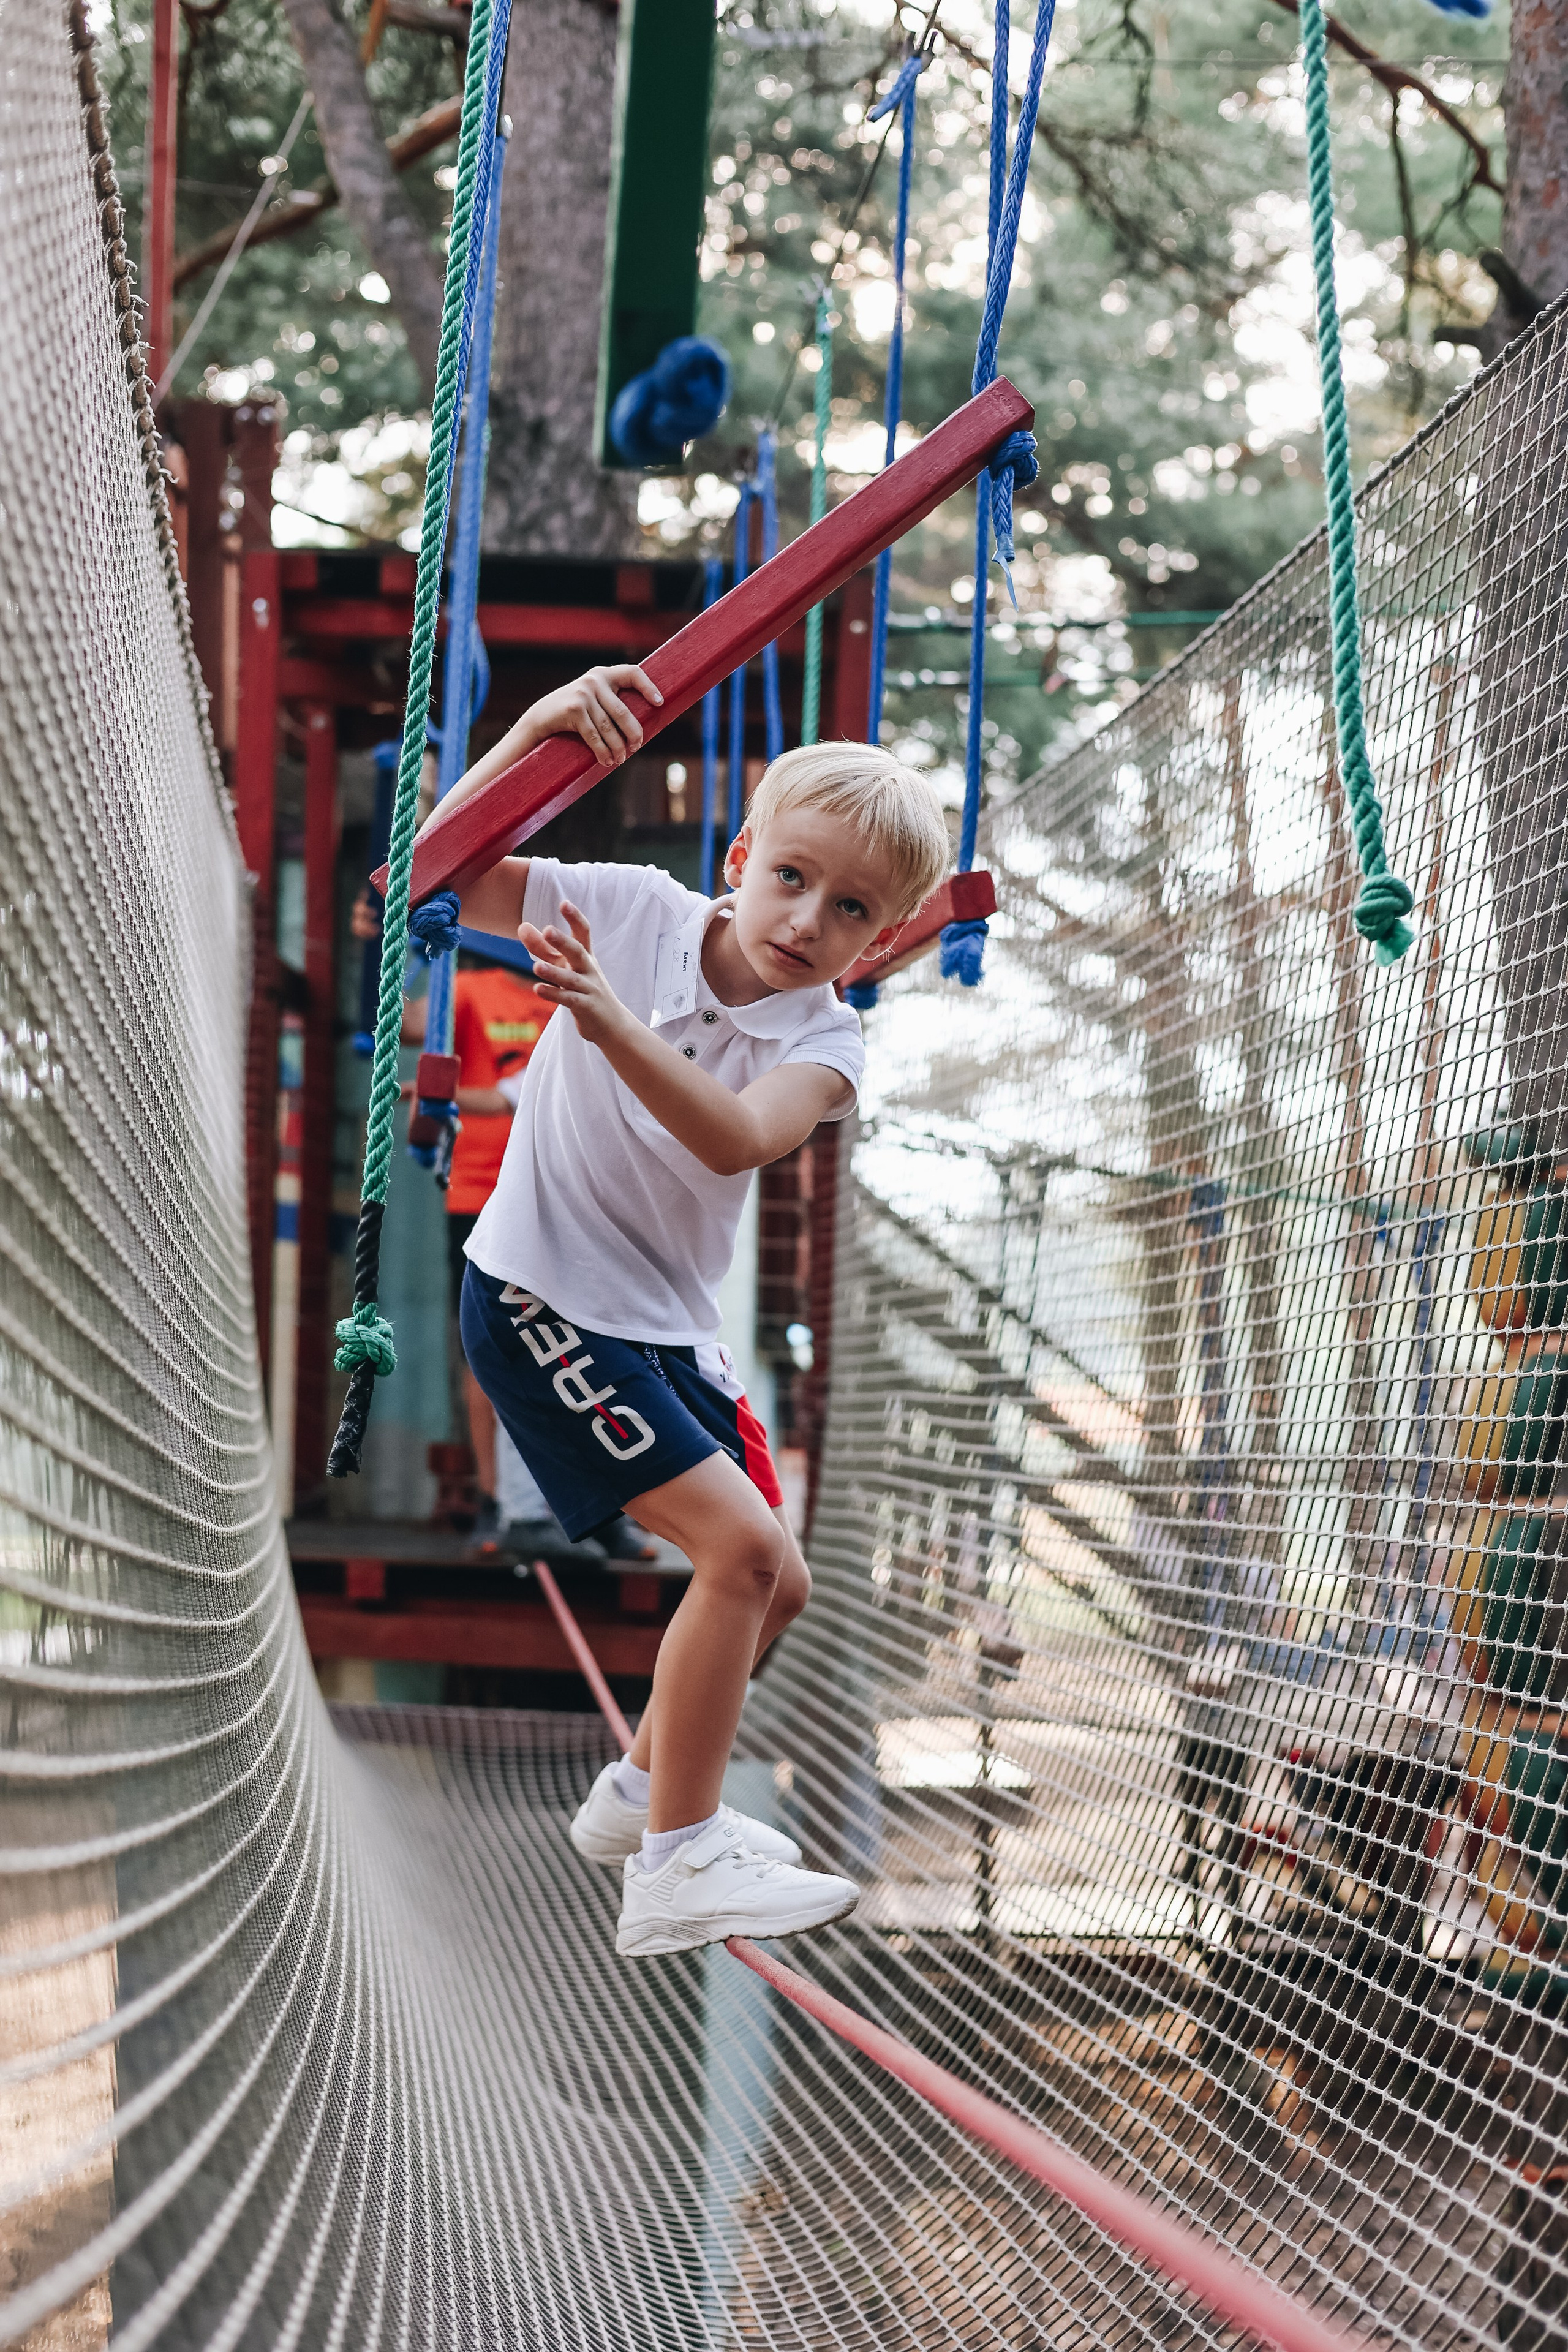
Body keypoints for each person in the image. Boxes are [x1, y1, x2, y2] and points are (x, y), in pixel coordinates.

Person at [424, 663, 949, 1957]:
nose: (805, 920)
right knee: (739, 1553)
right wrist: (542, 731)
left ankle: (634, 1800)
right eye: (789, 878)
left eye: (848, 910)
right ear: (739, 855)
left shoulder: (825, 1046)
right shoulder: (636, 916)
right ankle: (675, 1861)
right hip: (542, 1292)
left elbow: (728, 1141)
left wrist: (606, 1027)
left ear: (875, 943)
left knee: (782, 1585)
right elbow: (432, 876)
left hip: (657, 1326)